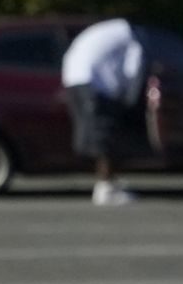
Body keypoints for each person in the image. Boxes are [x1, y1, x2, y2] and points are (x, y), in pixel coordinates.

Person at [61, 15, 148, 205]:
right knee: (106, 133)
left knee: (97, 133)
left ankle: (109, 181)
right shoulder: (133, 38)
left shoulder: (110, 30)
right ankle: (105, 188)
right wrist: (130, 100)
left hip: (73, 76)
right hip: (92, 82)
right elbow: (133, 71)